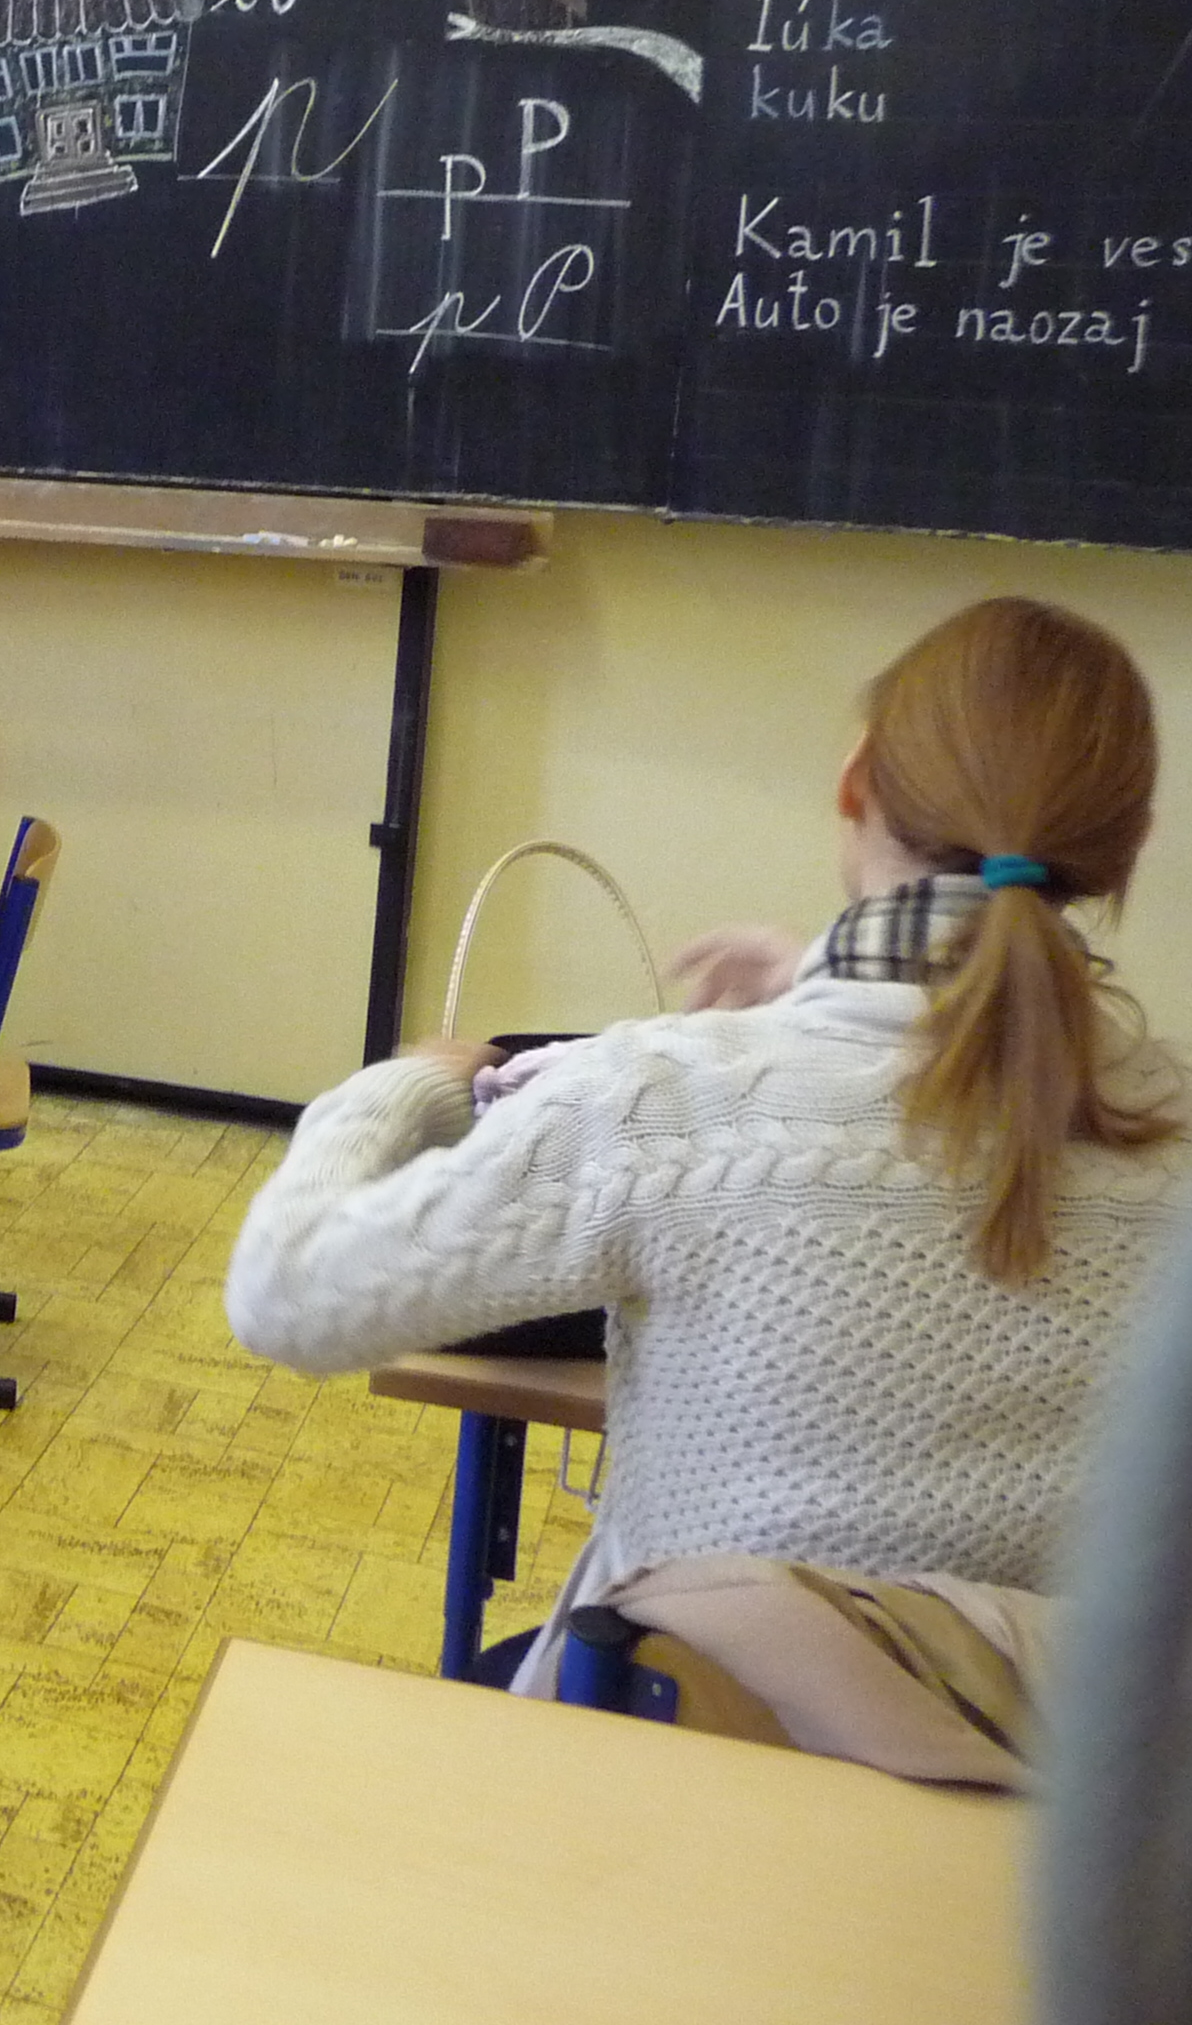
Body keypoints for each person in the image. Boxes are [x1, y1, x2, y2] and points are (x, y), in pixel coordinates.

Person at [225, 596, 1189, 1692]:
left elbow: (283, 1292)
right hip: (1033, 1772)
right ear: (1128, 849)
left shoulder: (665, 1100)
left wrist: (405, 1085)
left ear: (855, 781)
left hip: (704, 1737)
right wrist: (820, 986)